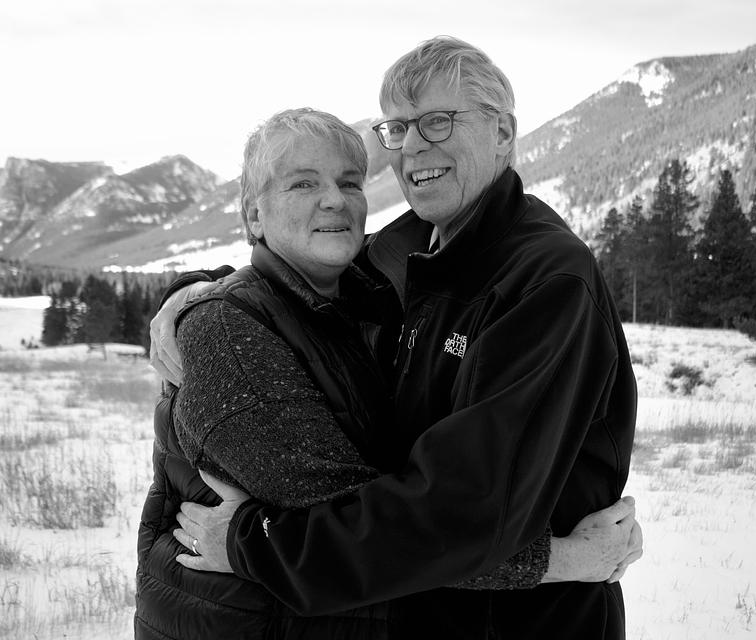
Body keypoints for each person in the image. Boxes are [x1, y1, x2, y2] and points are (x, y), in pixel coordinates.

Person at [137, 108, 641, 640]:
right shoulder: (226, 333)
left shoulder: (365, 299)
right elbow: (372, 535)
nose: (334, 200)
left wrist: (194, 285)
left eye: (349, 183)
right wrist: (566, 560)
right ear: (254, 216)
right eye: (303, 183)